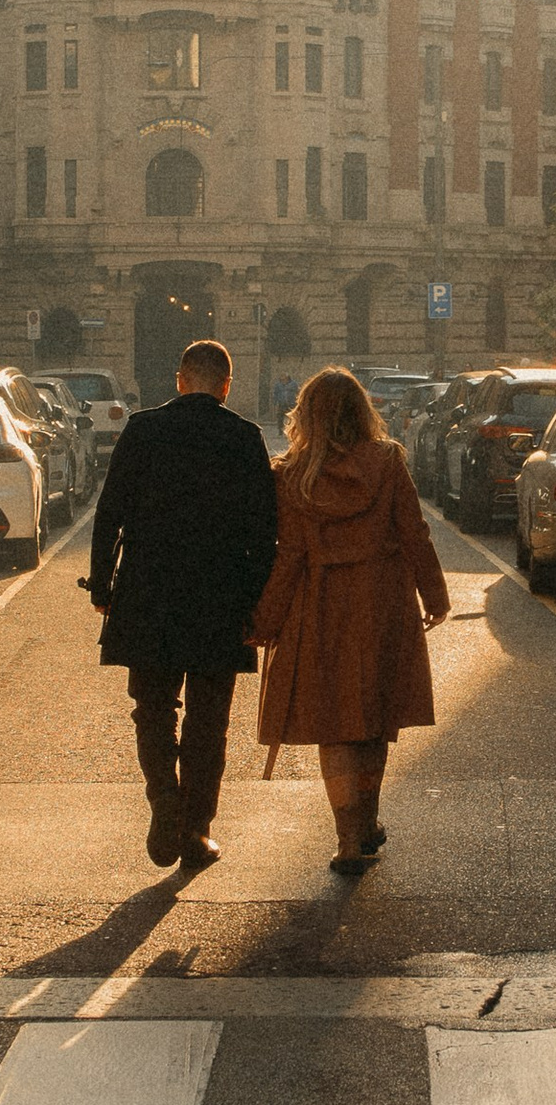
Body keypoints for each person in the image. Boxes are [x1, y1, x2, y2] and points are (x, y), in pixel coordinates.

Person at [86, 337, 279, 874]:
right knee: (207, 720)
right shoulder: (244, 437)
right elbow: (266, 532)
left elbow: (110, 513)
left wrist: (103, 586)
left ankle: (162, 801)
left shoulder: (143, 429)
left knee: (152, 708)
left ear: (179, 379)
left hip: (149, 593)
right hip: (221, 598)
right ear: (225, 386)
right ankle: (196, 829)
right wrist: (257, 600)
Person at [252, 365, 450, 874]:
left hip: (319, 606)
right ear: (362, 411)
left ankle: (347, 837)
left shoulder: (291, 475)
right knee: (373, 720)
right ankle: (367, 823)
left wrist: (265, 619)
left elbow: (289, 554)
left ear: (308, 415)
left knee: (335, 726)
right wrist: (435, 594)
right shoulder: (387, 462)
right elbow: (415, 532)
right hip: (382, 601)